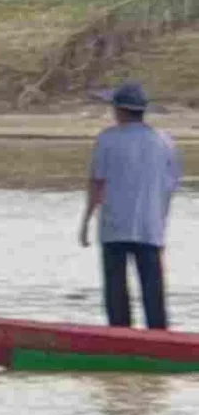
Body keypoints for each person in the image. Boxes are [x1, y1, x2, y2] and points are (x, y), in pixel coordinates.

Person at [79, 81, 181, 329]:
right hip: (150, 227)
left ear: (120, 110)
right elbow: (169, 187)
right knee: (153, 289)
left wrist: (85, 222)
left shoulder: (107, 139)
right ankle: (159, 339)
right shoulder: (164, 141)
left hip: (114, 226)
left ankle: (119, 336)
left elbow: (97, 183)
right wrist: (161, 222)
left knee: (116, 290)